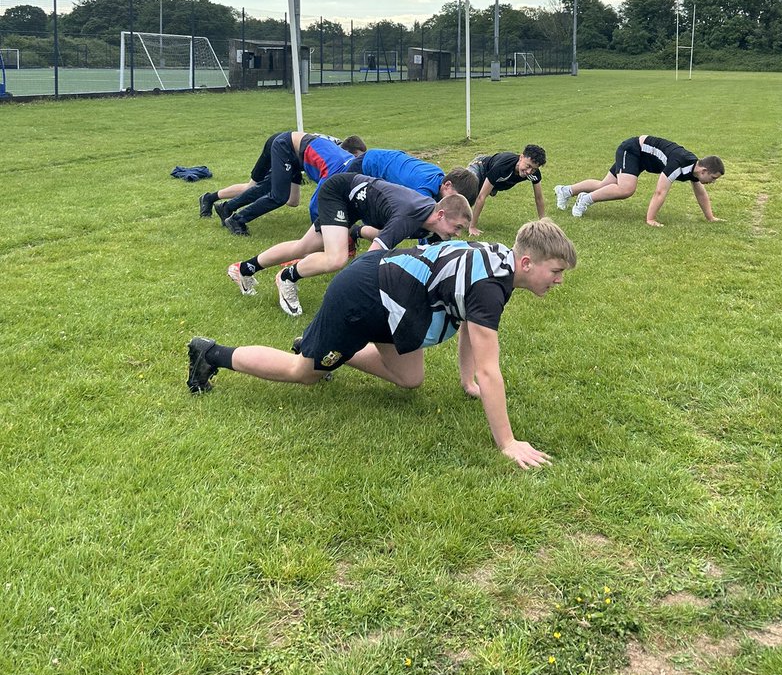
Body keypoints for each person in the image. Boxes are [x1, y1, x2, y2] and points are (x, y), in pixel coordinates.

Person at [188, 218, 577, 470]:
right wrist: (507, 442)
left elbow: (469, 332)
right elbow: (491, 368)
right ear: (527, 263)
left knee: (410, 378)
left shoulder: (501, 264)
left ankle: (323, 345)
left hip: (392, 299)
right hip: (363, 297)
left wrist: (467, 382)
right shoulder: (491, 287)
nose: (558, 281)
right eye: (556, 271)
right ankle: (211, 354)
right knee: (302, 372)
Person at [227, 172, 473, 316]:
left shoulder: (430, 224)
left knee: (303, 246)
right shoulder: (410, 216)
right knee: (337, 258)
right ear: (440, 215)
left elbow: (390, 239)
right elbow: (372, 259)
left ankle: (244, 269)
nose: (456, 234)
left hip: (355, 203)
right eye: (457, 227)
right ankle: (288, 277)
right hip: (339, 193)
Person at [201, 131, 366, 236]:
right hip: (286, 145)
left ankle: (226, 208)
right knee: (279, 196)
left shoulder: (350, 168)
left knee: (286, 198)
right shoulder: (337, 171)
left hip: (298, 156)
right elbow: (315, 207)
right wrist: (325, 234)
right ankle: (237, 219)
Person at [555, 135, 725, 227]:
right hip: (633, 150)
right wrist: (650, 219)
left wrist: (710, 217)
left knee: (604, 185)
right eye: (713, 178)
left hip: (643, 158)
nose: (712, 182)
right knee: (626, 188)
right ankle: (585, 199)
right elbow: (660, 192)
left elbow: (700, 193)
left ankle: (565, 191)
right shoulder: (678, 164)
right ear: (704, 170)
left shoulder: (693, 169)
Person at [346, 147, 479, 205]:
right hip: (368, 164)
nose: (455, 204)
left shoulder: (439, 178)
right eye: (455, 198)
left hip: (383, 160)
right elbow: (422, 220)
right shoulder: (423, 191)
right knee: (345, 202)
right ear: (447, 184)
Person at [466, 145, 547, 236]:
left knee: (474, 195)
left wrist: (543, 225)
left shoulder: (533, 174)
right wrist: (472, 226)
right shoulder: (503, 166)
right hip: (480, 167)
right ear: (521, 157)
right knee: (466, 190)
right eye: (528, 166)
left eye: (534, 169)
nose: (529, 171)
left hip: (495, 182)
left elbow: (539, 198)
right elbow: (482, 197)